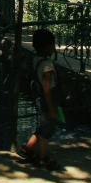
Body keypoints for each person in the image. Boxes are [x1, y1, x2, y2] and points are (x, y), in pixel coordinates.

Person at [17, 28, 62, 170]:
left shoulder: (37, 59)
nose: (54, 48)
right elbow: (47, 87)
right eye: (53, 45)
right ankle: (42, 158)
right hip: (47, 100)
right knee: (47, 130)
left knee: (43, 126)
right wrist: (52, 108)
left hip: (39, 98)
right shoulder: (47, 65)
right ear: (47, 46)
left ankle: (28, 148)